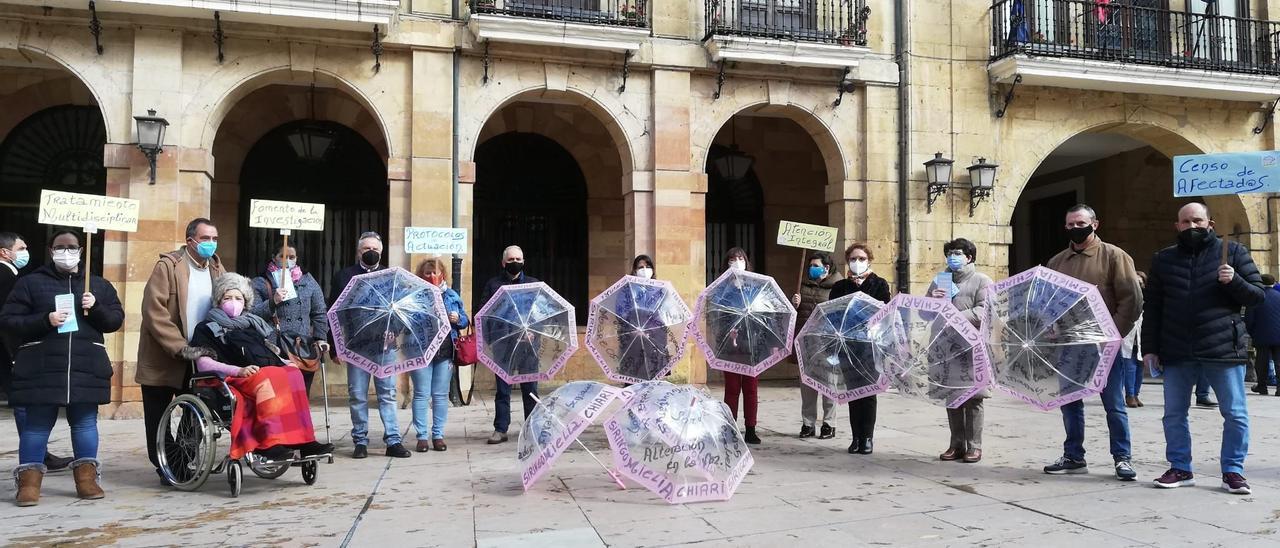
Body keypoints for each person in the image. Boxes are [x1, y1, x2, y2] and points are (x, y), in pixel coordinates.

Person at [1144, 202, 1264, 495]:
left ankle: (1233, 471)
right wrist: (1150, 348)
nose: (1192, 226)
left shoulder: (1233, 253)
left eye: (1198, 221)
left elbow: (1257, 296)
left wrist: (1233, 280)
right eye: (1185, 222)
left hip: (1223, 348)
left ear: (1210, 223)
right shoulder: (1163, 259)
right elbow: (1154, 307)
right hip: (1176, 349)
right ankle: (1180, 467)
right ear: (1177, 226)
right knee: (1174, 414)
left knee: (1234, 413)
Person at [3, 229, 124, 506]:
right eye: (60, 247)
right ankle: (29, 485)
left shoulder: (98, 285)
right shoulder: (30, 283)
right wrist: (45, 320)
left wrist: (95, 308)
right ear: (50, 250)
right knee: (36, 426)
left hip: (85, 366)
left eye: (72, 247)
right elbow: (10, 320)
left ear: (81, 251)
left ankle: (87, 480)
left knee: (84, 423)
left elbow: (115, 320)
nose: (66, 252)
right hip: (41, 366)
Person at [181, 273, 333, 462]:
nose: (233, 302)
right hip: (230, 378)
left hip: (259, 372)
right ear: (219, 301)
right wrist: (238, 370)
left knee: (294, 375)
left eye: (238, 298)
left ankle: (303, 441)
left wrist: (286, 363)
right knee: (267, 379)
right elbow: (203, 363)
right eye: (227, 298)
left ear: (245, 302)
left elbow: (267, 353)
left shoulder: (251, 326)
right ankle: (267, 443)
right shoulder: (206, 327)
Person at [1042, 204, 1142, 481]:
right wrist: (1050, 328)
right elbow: (1048, 302)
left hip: (1104, 345)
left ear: (1095, 224)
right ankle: (1074, 456)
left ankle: (1122, 458)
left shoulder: (1114, 256)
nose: (1076, 228)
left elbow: (1131, 300)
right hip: (1069, 346)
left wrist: (1113, 334)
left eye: (1081, 223)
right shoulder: (1057, 262)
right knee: (1070, 403)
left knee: (1114, 405)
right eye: (1071, 224)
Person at [137, 218, 226, 485]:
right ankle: (165, 464)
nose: (211, 244)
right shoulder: (169, 266)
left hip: (201, 356)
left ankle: (182, 462)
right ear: (190, 241)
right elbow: (154, 312)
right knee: (158, 414)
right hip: (166, 355)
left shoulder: (217, 268)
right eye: (205, 238)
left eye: (214, 238)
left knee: (196, 415)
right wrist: (180, 347)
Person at [330, 232, 410, 459]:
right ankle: (360, 441)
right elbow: (334, 312)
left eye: (374, 248)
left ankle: (393, 440)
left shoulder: (390, 276)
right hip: (356, 345)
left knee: (388, 394)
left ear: (381, 251)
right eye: (366, 248)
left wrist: (394, 330)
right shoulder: (344, 276)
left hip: (384, 347)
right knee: (357, 395)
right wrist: (335, 346)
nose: (371, 252)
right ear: (358, 252)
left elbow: (401, 310)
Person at [0, 232, 73, 471]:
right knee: (25, 404)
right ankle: (37, 457)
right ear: (5, 252)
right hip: (8, 350)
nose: (25, 252)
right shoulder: (7, 278)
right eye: (21, 248)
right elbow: (9, 321)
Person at [927, 238, 992, 464]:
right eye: (949, 253)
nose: (952, 257)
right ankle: (957, 444)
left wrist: (953, 317)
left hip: (971, 346)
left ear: (969, 257)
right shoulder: (940, 280)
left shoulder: (981, 280)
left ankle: (975, 446)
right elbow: (926, 313)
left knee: (974, 397)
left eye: (957, 253)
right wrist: (932, 302)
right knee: (952, 396)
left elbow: (984, 311)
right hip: (946, 346)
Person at [829, 242, 891, 455]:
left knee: (868, 393)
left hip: (870, 346)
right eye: (853, 259)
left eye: (861, 258)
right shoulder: (840, 287)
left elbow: (884, 312)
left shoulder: (879, 284)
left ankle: (867, 438)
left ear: (869, 260)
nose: (857, 262)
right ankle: (856, 437)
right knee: (854, 393)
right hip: (848, 345)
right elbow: (833, 315)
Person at [480, 245, 540, 445]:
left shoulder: (534, 285)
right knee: (502, 389)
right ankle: (501, 428)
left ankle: (531, 428)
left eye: (518, 259)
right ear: (503, 262)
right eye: (511, 260)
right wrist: (491, 340)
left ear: (524, 261)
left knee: (530, 389)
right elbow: (484, 314)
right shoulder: (493, 285)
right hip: (503, 345)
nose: (515, 263)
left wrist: (534, 332)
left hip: (527, 346)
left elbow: (542, 313)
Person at [250, 244, 330, 394]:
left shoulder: (308, 281)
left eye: (291, 257)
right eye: (283, 256)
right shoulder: (260, 282)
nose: (287, 260)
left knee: (300, 394)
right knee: (279, 397)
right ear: (274, 257)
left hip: (302, 347)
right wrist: (273, 301)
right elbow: (253, 314)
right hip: (273, 347)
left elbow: (319, 312)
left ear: (297, 259)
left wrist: (320, 338)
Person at [410, 258, 468, 452]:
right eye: (428, 273)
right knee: (421, 394)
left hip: (445, 351)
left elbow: (464, 320)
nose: (432, 276)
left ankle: (438, 435)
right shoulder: (415, 295)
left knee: (440, 395)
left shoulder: (451, 295)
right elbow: (408, 322)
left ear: (443, 274)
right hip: (422, 351)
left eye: (436, 272)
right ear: (421, 275)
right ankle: (421, 436)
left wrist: (458, 318)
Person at [791, 251, 841, 440]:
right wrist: (795, 303)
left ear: (826, 268)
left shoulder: (838, 286)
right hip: (807, 342)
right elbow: (798, 313)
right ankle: (808, 423)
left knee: (829, 384)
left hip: (829, 342)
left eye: (815, 265)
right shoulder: (803, 285)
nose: (811, 268)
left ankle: (829, 423)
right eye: (810, 265)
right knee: (807, 385)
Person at [716, 248, 762, 445]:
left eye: (740, 258)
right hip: (730, 344)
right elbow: (715, 314)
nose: (736, 261)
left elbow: (762, 313)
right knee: (732, 389)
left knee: (751, 389)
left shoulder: (755, 286)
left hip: (751, 344)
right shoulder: (721, 288)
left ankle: (751, 428)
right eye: (732, 259)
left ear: (746, 261)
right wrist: (728, 329)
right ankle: (730, 427)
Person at [619, 255, 671, 382]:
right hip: (633, 338)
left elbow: (666, 314)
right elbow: (621, 313)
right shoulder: (627, 289)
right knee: (633, 379)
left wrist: (652, 328)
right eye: (640, 267)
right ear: (635, 270)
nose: (644, 270)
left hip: (656, 339)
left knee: (654, 381)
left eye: (648, 267)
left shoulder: (661, 289)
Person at [1246, 274, 1280, 396]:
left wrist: (1252, 333)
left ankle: (1262, 386)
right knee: (1279, 361)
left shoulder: (1256, 298)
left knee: (1262, 362)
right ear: (1274, 283)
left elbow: (1249, 319)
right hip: (1279, 335)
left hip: (1261, 335)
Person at [1123, 272, 1147, 408]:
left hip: (1142, 338)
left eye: (1141, 283)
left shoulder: (1147, 301)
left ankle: (1136, 394)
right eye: (1136, 283)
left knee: (1140, 368)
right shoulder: (1126, 299)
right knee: (1130, 367)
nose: (1139, 285)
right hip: (1128, 337)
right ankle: (1130, 395)